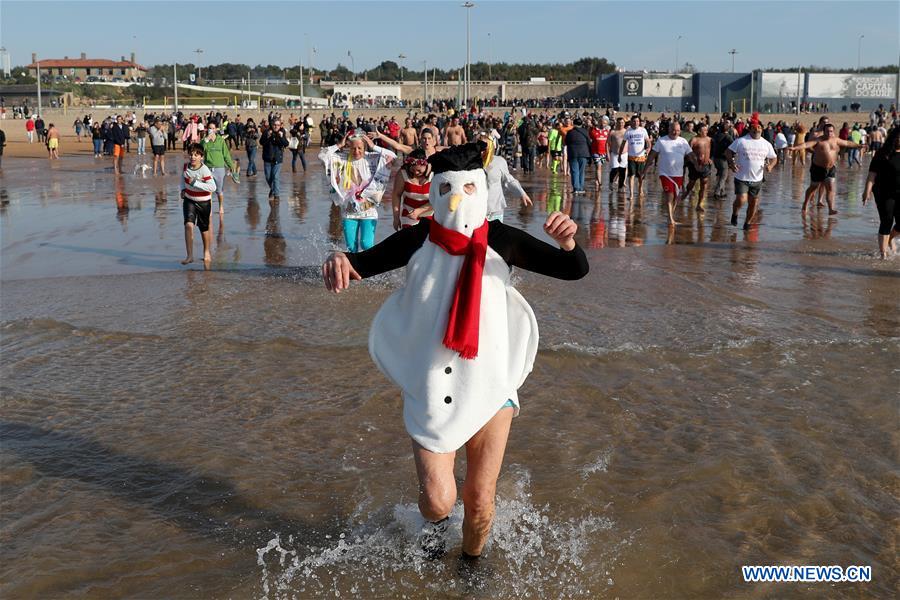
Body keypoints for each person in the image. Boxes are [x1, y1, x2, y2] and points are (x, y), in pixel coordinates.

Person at [320, 142, 588, 562]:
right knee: (439, 500)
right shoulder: (418, 239)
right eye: (447, 190)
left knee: (480, 503)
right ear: (435, 191)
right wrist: (337, 258)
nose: (458, 200)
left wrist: (569, 242)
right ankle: (434, 528)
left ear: (480, 189)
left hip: (491, 381)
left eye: (467, 189)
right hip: (434, 386)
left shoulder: (502, 239)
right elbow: (358, 264)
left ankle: (470, 566)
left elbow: (573, 270)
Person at [319, 131, 396, 252]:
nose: (356, 151)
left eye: (360, 148)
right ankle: (354, 270)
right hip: (349, 211)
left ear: (365, 146)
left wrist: (374, 146)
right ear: (348, 146)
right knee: (351, 247)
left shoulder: (372, 158)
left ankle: (368, 270)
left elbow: (392, 155)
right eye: (353, 148)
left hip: (369, 210)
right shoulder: (341, 159)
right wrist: (339, 145)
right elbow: (322, 155)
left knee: (366, 245)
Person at [789, 123, 862, 214]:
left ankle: (831, 209)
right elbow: (806, 145)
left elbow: (847, 143)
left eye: (831, 131)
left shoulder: (836, 140)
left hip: (831, 168)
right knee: (813, 187)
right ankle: (805, 204)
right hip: (818, 168)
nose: (829, 133)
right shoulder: (818, 140)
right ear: (824, 132)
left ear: (833, 132)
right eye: (827, 131)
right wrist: (795, 148)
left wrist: (858, 145)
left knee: (830, 187)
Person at [724, 114, 777, 229]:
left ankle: (747, 223)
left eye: (758, 127)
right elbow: (728, 152)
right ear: (750, 128)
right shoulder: (741, 141)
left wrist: (771, 166)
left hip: (757, 179)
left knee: (754, 203)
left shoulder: (766, 144)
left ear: (761, 129)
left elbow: (774, 158)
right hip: (741, 177)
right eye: (754, 127)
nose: (756, 129)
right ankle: (735, 213)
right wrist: (731, 164)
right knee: (741, 199)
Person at [861, 126, 900, 258]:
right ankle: (883, 254)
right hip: (884, 192)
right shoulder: (883, 153)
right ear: (894, 138)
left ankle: (890, 239)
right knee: (887, 219)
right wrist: (867, 191)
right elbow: (872, 174)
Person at [648, 121, 696, 226]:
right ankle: (670, 219)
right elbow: (652, 155)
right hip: (665, 174)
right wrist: (645, 169)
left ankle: (671, 216)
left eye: (678, 130)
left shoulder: (683, 141)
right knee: (669, 196)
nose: (675, 132)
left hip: (678, 174)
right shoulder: (661, 140)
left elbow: (691, 154)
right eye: (673, 130)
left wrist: (697, 165)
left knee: (676, 197)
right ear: (669, 129)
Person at [180, 143, 217, 266]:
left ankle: (206, 252)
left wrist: (195, 183)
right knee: (188, 225)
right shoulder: (185, 166)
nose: (193, 157)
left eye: (196, 155)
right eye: (191, 154)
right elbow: (183, 178)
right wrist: (182, 189)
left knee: (203, 229)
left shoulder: (204, 169)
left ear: (201, 157)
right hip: (189, 200)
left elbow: (213, 187)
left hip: (204, 202)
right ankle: (189, 256)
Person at [391, 148, 433, 230]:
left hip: (430, 216)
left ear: (426, 165)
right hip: (408, 216)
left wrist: (419, 211)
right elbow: (396, 195)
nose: (416, 173)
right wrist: (396, 218)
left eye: (419, 170)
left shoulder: (434, 174)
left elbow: (438, 200)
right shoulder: (403, 173)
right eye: (413, 169)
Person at [201, 121, 237, 214]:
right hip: (207, 168)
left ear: (216, 129)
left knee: (219, 190)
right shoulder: (204, 140)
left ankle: (221, 206)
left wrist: (231, 166)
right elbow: (200, 150)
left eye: (213, 128)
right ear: (207, 129)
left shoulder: (220, 140)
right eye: (210, 128)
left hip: (219, 168)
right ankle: (210, 209)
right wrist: (206, 140)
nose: (211, 130)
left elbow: (226, 154)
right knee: (208, 190)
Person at [682, 122, 712, 211]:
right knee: (691, 184)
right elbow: (688, 153)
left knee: (704, 184)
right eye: (704, 130)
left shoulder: (709, 139)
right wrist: (694, 160)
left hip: (705, 165)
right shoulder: (694, 140)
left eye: (707, 130)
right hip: (695, 165)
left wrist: (710, 158)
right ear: (699, 131)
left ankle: (699, 204)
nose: (706, 132)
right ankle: (686, 192)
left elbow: (713, 149)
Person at [621, 115, 650, 200]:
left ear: (639, 122)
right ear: (631, 122)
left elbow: (648, 141)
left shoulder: (643, 130)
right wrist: (620, 154)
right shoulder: (628, 131)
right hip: (631, 157)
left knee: (641, 176)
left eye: (637, 121)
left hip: (641, 157)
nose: (636, 123)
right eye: (634, 121)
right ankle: (631, 194)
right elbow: (623, 144)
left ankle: (640, 189)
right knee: (632, 175)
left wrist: (648, 148)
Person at [260, 118, 289, 199]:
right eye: (274, 125)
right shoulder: (266, 132)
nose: (276, 126)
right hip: (267, 158)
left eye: (278, 125)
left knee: (275, 177)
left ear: (280, 126)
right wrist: (267, 136)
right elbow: (261, 142)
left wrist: (282, 137)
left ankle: (276, 195)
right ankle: (273, 190)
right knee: (268, 177)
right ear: (271, 125)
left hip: (277, 158)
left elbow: (286, 144)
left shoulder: (282, 132)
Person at [564, 118, 592, 194]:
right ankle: (581, 188)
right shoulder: (585, 132)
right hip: (584, 153)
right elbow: (589, 143)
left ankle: (576, 188)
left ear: (573, 123)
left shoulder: (570, 132)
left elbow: (566, 142)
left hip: (573, 153)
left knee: (574, 171)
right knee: (581, 171)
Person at [588, 116, 609, 190]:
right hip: (595, 152)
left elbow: (608, 143)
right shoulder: (594, 131)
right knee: (598, 166)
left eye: (605, 123)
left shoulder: (607, 132)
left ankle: (597, 180)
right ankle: (600, 182)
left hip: (604, 153)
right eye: (602, 123)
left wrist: (608, 153)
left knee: (599, 167)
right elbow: (589, 138)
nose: (603, 124)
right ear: (599, 122)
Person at [606, 117, 627, 191]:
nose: (621, 124)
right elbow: (607, 143)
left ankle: (620, 187)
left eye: (622, 123)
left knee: (622, 170)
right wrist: (607, 154)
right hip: (615, 153)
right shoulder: (612, 132)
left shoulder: (626, 131)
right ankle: (611, 182)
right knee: (615, 169)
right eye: (619, 122)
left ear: (624, 123)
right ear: (616, 123)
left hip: (624, 154)